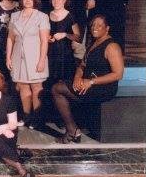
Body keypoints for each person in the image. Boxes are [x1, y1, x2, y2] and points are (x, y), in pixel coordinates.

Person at [51, 15, 124, 143]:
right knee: (60, 85)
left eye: (99, 25)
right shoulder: (94, 43)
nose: (95, 28)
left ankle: (72, 130)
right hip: (88, 84)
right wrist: (77, 78)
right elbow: (82, 65)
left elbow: (118, 74)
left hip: (103, 88)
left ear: (107, 28)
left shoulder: (112, 46)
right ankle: (73, 129)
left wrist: (90, 82)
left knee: (57, 89)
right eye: (93, 25)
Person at [6, 0, 50, 128]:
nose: (27, 0)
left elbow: (44, 41)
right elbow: (10, 39)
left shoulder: (42, 16)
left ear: (35, 0)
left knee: (37, 87)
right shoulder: (15, 16)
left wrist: (42, 60)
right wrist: (8, 57)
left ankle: (37, 119)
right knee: (23, 87)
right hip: (18, 57)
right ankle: (27, 116)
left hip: (36, 57)